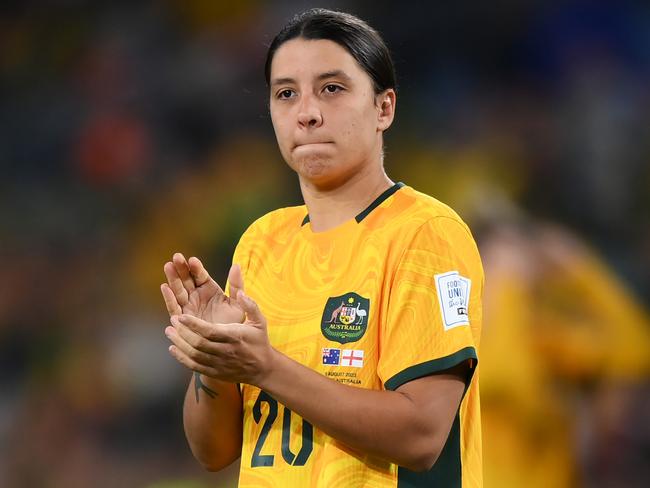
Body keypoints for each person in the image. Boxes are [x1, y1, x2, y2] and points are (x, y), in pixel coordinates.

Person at [161, 8, 483, 487]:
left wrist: (266, 367)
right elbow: (214, 452)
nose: (307, 113)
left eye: (332, 88)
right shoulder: (262, 242)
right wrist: (217, 362)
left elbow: (422, 436)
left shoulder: (425, 234)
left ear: (384, 108)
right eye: (286, 94)